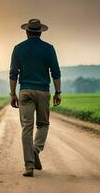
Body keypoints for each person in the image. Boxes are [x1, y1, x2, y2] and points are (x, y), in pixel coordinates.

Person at [9, 19, 62, 177]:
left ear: (27, 32)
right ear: (40, 32)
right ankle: (35, 149)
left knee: (27, 127)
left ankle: (29, 165)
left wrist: (13, 94)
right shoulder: (49, 49)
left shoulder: (18, 49)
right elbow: (56, 72)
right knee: (43, 124)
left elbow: (13, 73)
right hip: (43, 91)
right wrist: (58, 92)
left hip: (25, 91)